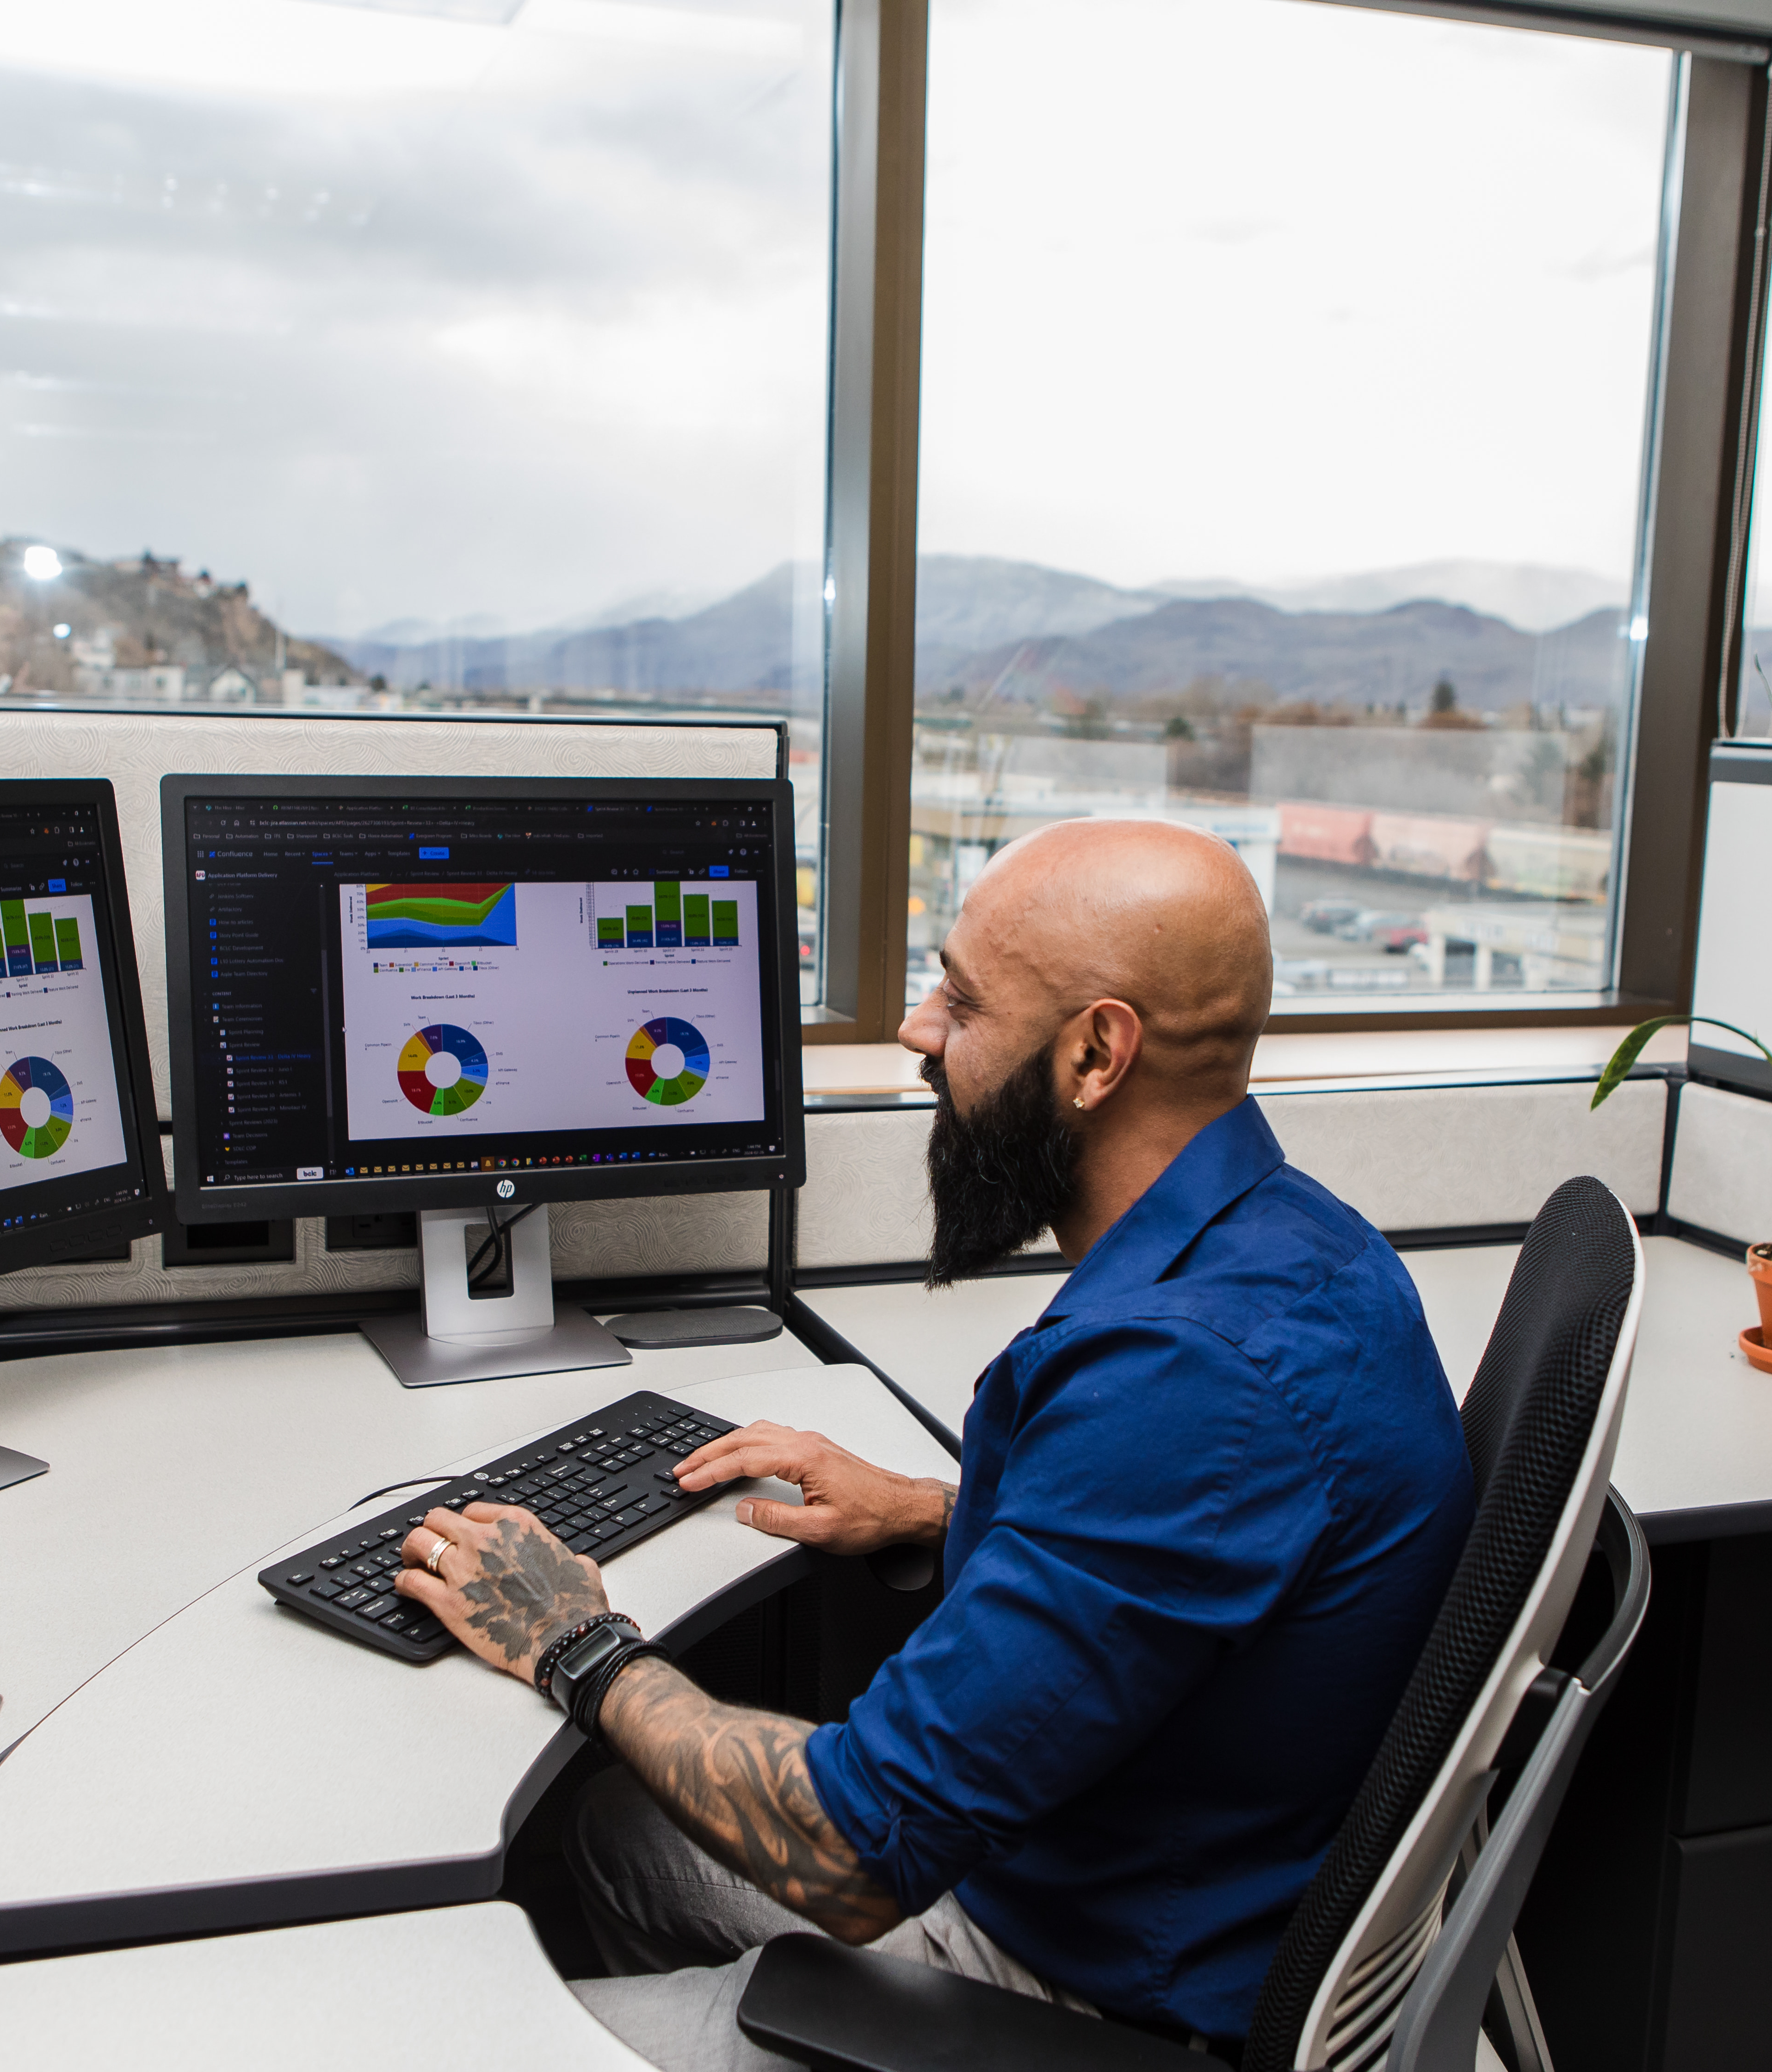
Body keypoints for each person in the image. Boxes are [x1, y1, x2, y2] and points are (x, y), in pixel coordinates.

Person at [389, 818, 1474, 2068]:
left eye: (960, 1000)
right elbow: (1188, 1558)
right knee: (610, 1836)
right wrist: (930, 1512)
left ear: (1094, 1054)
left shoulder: (1185, 1383)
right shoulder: (1305, 1249)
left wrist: (571, 1641)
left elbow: (855, 1853)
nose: (916, 1029)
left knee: (487, 2033)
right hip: (1175, 1875)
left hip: (1097, 1991)